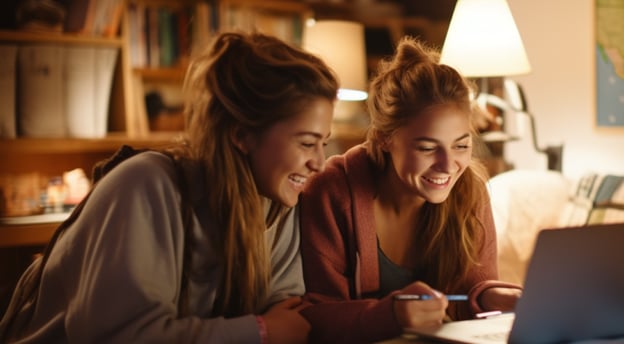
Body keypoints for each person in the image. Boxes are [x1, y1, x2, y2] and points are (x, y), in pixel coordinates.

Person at [0, 31, 339, 343]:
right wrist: (259, 331)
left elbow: (286, 313)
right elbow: (119, 336)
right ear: (241, 135)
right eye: (307, 143)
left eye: (324, 143)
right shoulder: (147, 186)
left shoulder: (278, 204)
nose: (320, 163)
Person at [298, 37, 523, 343]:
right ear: (384, 139)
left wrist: (492, 297)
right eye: (428, 148)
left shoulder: (470, 190)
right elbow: (315, 319)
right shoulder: (331, 191)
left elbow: (472, 289)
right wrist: (391, 316)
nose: (448, 165)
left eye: (461, 145)